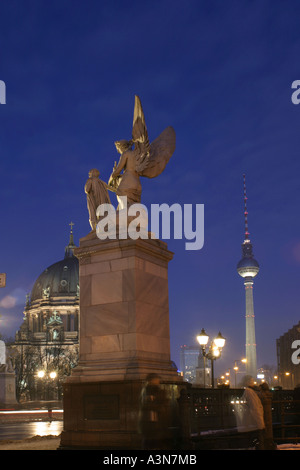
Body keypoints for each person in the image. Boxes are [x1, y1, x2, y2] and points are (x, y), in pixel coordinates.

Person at [138, 373, 172, 450]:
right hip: (149, 421)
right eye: (156, 379)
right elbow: (144, 404)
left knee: (156, 441)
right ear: (151, 380)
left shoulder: (160, 391)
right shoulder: (145, 391)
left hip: (158, 421)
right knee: (150, 441)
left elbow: (164, 403)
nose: (158, 380)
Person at [235, 376, 265, 449]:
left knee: (248, 440)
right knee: (256, 439)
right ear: (248, 382)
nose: (253, 382)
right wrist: (260, 423)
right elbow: (255, 407)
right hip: (253, 422)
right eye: (252, 380)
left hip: (248, 422)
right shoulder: (250, 392)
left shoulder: (247, 391)